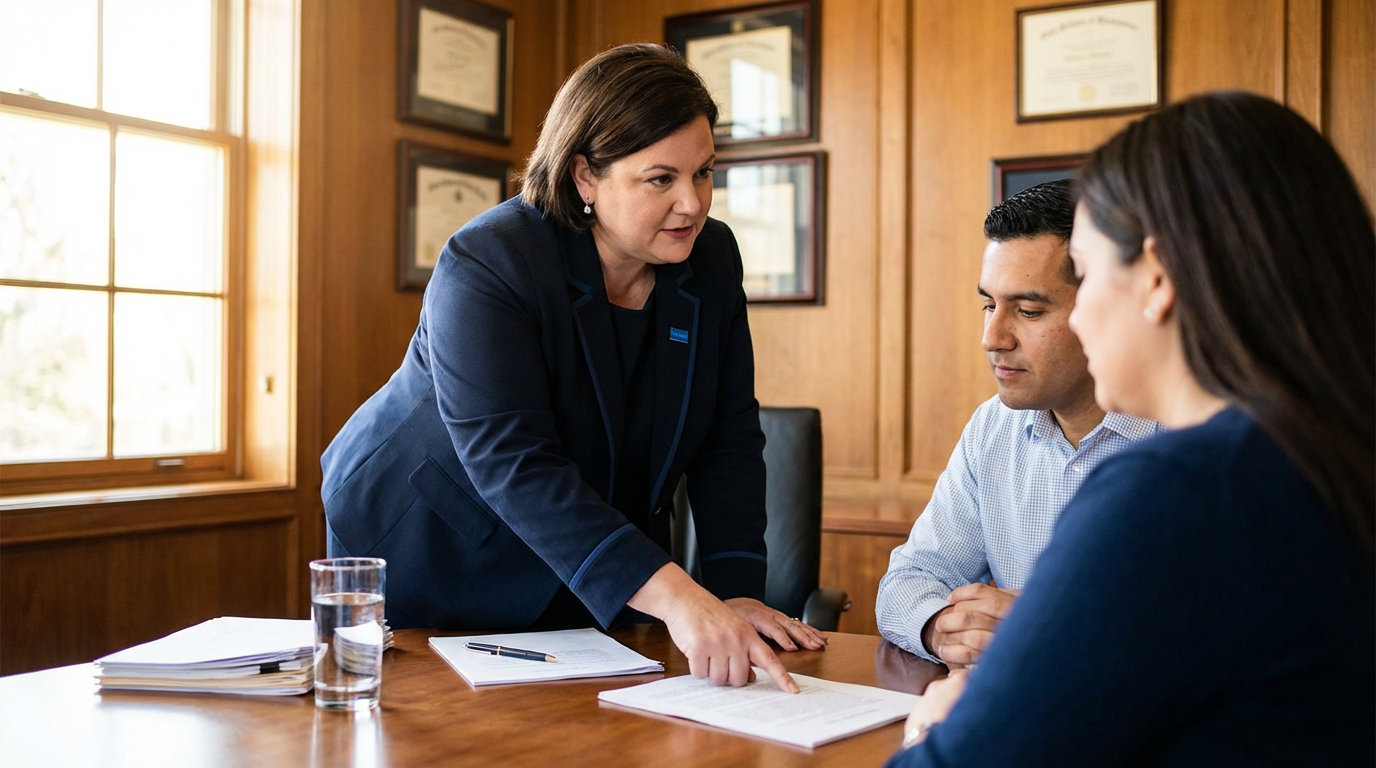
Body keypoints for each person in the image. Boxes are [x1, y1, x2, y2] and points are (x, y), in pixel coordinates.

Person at [320, 43, 824, 693]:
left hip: (581, 554)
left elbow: (728, 442)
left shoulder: (713, 260)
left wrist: (731, 595)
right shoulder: (490, 260)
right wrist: (676, 597)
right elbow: (513, 462)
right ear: (586, 177)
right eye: (660, 179)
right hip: (434, 541)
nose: (693, 204)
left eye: (704, 173)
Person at [889, 91, 1374, 766]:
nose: (1083, 317)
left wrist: (935, 726)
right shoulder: (1322, 451)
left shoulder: (1180, 491)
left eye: (1085, 278)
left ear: (1155, 278)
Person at [875, 180, 1158, 666]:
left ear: (1106, 306)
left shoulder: (1193, 435)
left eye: (1027, 311)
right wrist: (945, 628)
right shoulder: (993, 428)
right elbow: (909, 578)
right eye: (989, 305)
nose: (992, 338)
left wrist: (1051, 625)